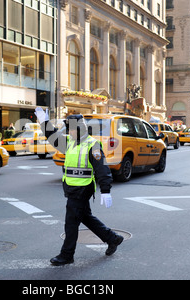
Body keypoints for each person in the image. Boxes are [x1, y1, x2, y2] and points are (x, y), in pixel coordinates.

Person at [34, 107, 124, 266]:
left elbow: (102, 168)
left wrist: (105, 190)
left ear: (79, 129)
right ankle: (112, 238)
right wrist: (44, 122)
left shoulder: (92, 145)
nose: (68, 132)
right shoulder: (69, 142)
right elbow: (53, 136)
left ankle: (67, 254)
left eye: (70, 129)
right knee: (84, 217)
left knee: (71, 222)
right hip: (71, 187)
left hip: (82, 189)